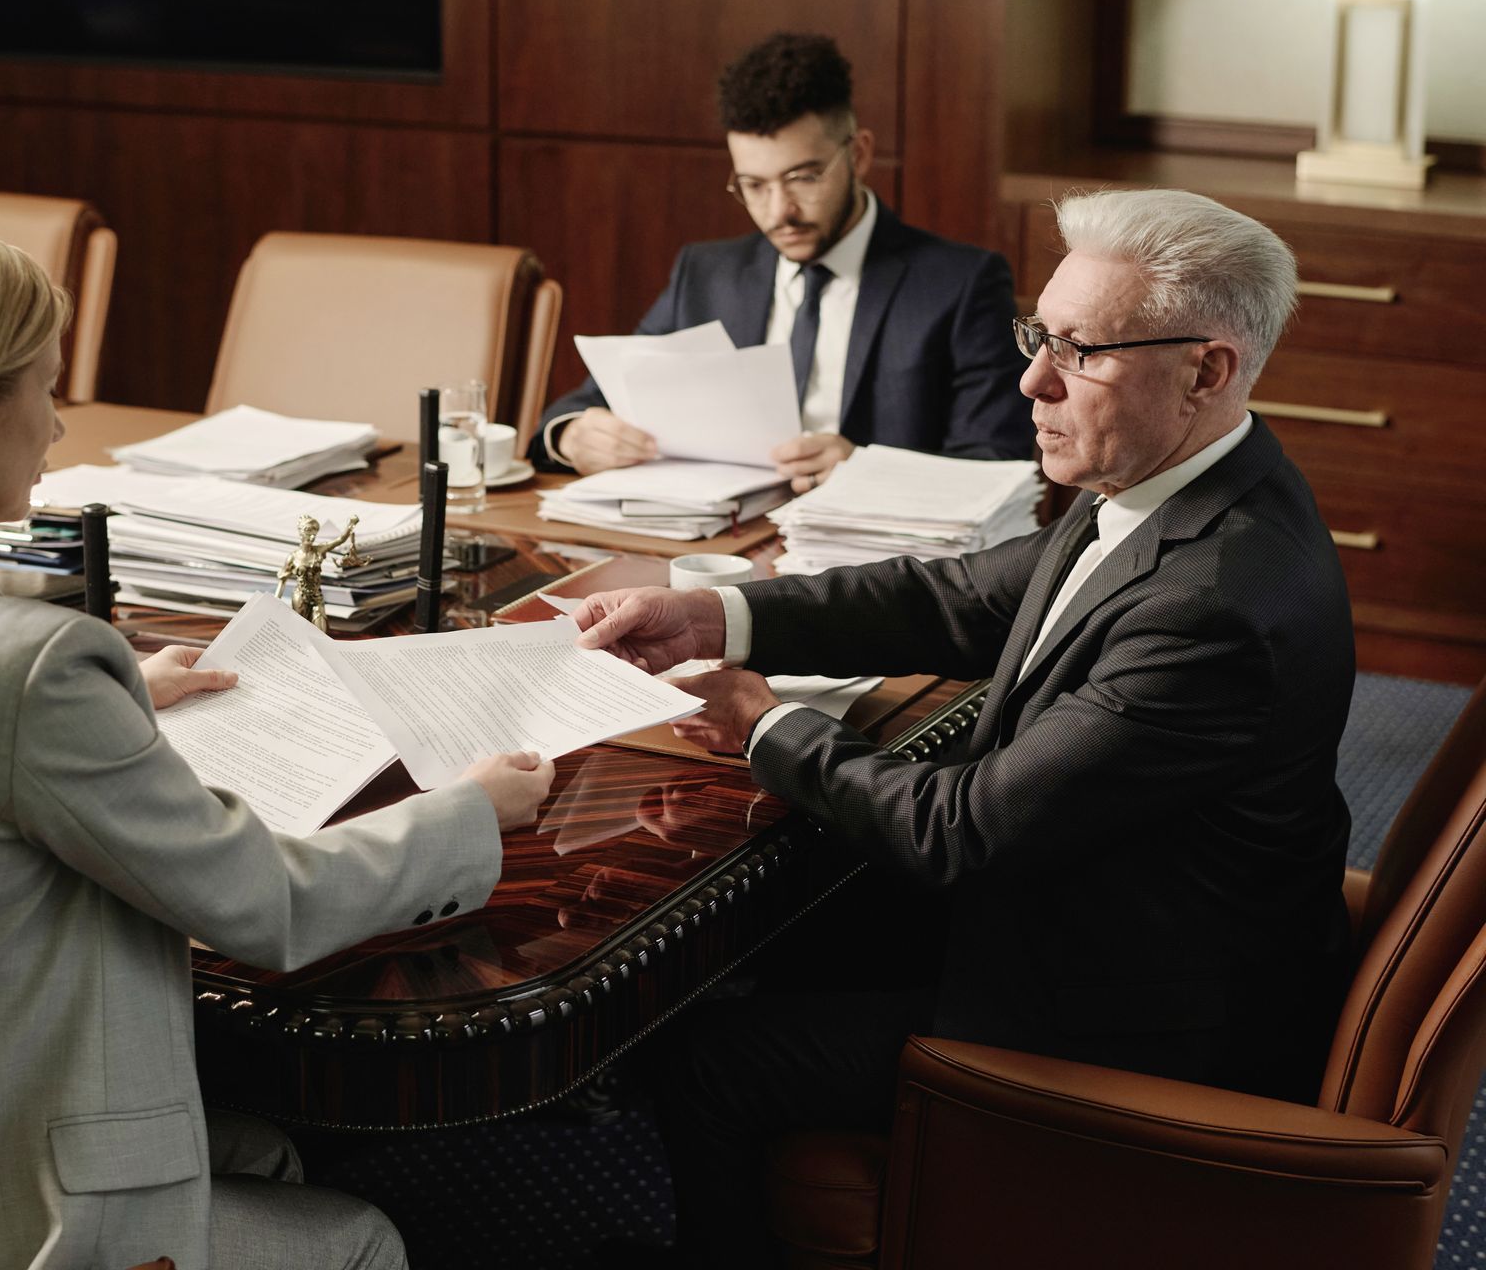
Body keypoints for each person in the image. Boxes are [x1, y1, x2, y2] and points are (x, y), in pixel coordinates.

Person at [0, 216, 555, 1270]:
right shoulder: (23, 668)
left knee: (270, 1157)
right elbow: (264, 903)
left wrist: (109, 696)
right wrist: (471, 812)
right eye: (45, 388)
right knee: (361, 1239)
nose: (56, 426)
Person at [574, 188, 1354, 1263]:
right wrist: (720, 611)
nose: (1033, 379)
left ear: (1208, 369)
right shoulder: (1176, 475)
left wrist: (764, 724)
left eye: (1079, 352)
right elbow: (961, 597)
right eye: (1040, 335)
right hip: (1111, 907)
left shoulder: (1216, 600)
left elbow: (963, 831)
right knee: (773, 925)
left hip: (1129, 1012)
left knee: (710, 1051)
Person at [532, 32, 1032, 488]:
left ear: (857, 155)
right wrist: (573, 435)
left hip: (876, 567)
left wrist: (866, 473)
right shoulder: (706, 276)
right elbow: (586, 402)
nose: (780, 213)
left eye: (804, 178)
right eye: (753, 185)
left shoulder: (961, 284)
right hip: (720, 551)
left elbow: (997, 464)